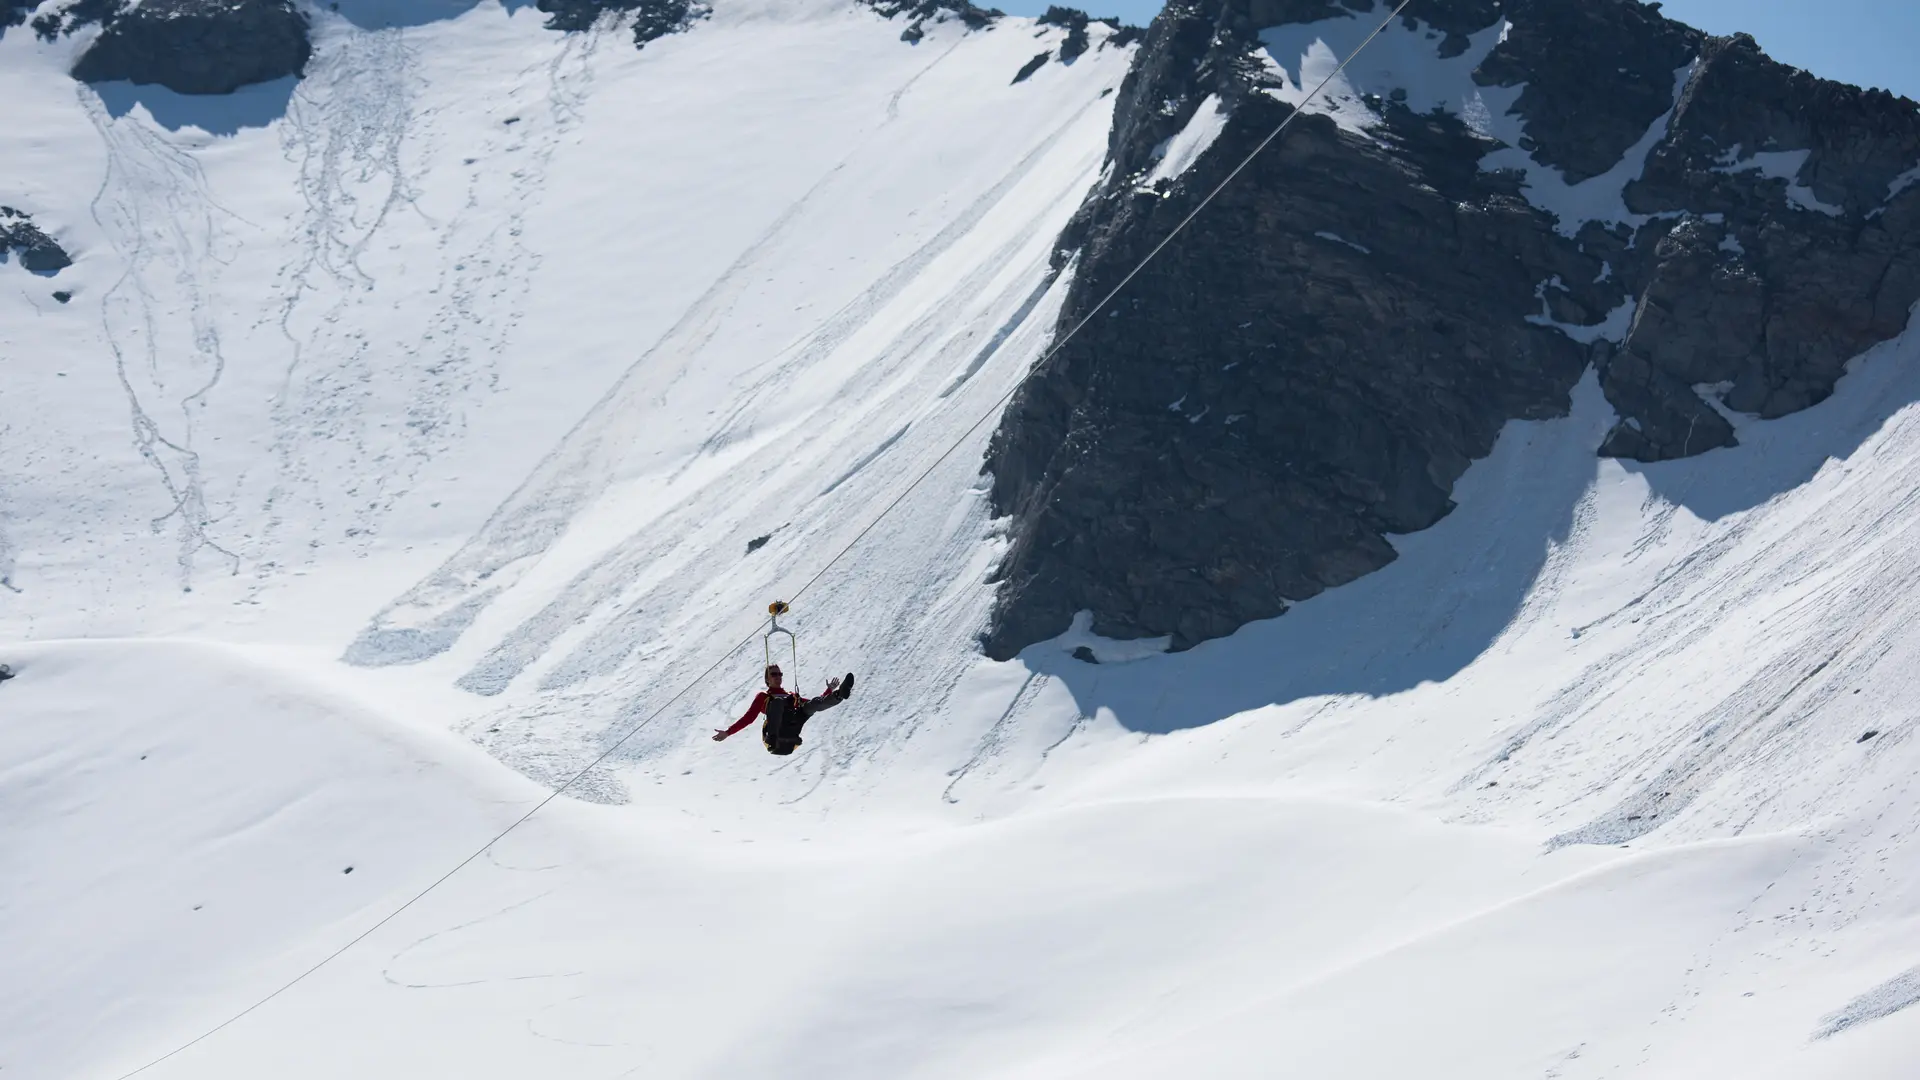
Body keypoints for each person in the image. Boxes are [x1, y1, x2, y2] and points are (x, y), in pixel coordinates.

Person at [713, 664, 854, 755]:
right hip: (775, 733)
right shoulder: (763, 697)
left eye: (780, 674)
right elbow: (749, 718)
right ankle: (773, 737)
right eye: (774, 674)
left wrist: (829, 690)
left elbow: (814, 704)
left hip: (792, 727)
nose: (778, 677)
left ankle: (839, 695)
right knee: (778, 702)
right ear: (767, 679)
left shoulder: (791, 696)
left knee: (811, 704)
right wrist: (728, 732)